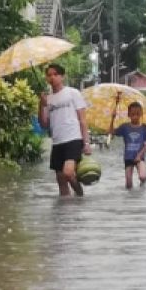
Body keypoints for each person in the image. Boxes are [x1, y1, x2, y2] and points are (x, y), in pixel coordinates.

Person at [39, 63, 91, 196]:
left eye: (55, 74)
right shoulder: (47, 99)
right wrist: (41, 105)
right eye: (49, 75)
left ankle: (80, 194)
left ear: (62, 76)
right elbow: (44, 124)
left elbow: (83, 120)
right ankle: (65, 215)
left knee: (68, 173)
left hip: (73, 139)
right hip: (57, 142)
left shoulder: (73, 93)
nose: (52, 77)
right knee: (61, 182)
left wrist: (86, 143)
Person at [110, 96, 146, 189]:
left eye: (137, 114)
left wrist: (139, 155)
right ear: (128, 114)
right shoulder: (124, 127)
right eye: (132, 114)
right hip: (128, 157)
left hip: (140, 157)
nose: (135, 117)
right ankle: (130, 200)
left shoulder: (144, 128)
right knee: (128, 183)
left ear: (141, 114)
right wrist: (112, 119)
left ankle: (143, 187)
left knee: (142, 176)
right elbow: (112, 133)